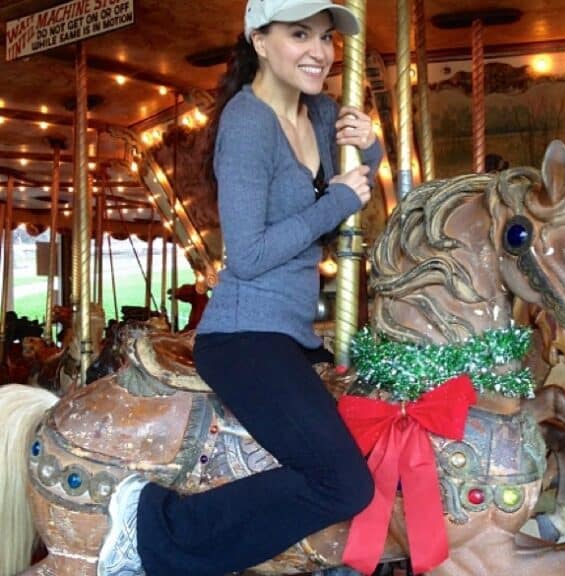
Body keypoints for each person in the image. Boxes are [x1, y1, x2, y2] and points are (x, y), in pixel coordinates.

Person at [97, 0, 382, 574]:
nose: (320, 52)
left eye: (326, 37)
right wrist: (335, 203)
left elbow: (354, 184)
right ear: (259, 39)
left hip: (294, 334)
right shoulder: (247, 124)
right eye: (300, 34)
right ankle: (150, 525)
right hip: (243, 334)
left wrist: (369, 145)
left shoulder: (322, 113)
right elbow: (247, 256)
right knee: (345, 483)